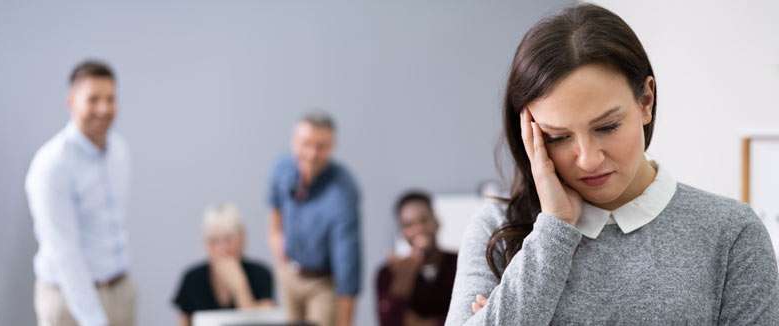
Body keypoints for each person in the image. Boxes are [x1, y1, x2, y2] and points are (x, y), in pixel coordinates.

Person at [445, 4, 779, 325]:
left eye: (607, 127)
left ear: (645, 101)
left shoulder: (731, 233)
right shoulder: (496, 230)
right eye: (557, 137)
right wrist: (554, 230)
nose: (588, 159)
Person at [26, 60, 136, 326]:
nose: (104, 109)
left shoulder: (119, 152)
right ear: (72, 101)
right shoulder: (52, 165)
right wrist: (93, 319)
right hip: (68, 299)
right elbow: (65, 252)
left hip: (118, 290)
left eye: (110, 99)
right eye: (93, 99)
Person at [267, 111, 361, 326]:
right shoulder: (281, 170)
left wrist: (345, 320)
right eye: (305, 144)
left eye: (321, 146)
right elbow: (275, 223)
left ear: (332, 147)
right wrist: (282, 263)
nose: (311, 153)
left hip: (323, 284)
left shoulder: (343, 190)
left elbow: (348, 262)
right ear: (294, 142)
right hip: (289, 275)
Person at [173, 203, 275, 326]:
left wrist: (240, 287)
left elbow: (264, 321)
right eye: (214, 241)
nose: (222, 249)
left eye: (228, 239)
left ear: (242, 238)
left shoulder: (261, 274)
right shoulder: (192, 279)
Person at [376, 190, 458, 326]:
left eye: (424, 220)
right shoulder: (387, 273)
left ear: (436, 222)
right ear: (402, 232)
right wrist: (406, 273)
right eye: (409, 225)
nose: (419, 229)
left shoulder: (460, 264)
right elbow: (389, 321)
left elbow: (469, 316)